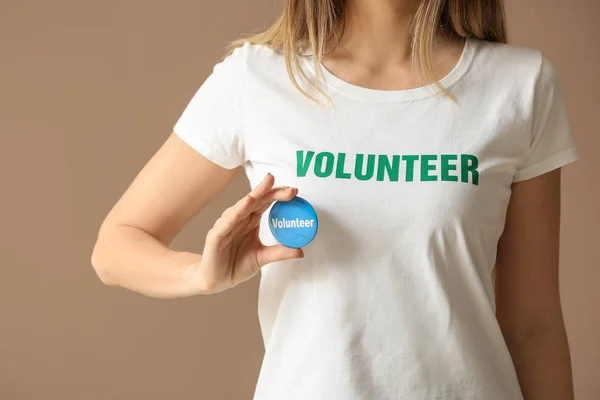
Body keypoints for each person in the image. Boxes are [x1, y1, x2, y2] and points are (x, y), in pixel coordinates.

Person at [91, 0, 580, 398]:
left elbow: (533, 324)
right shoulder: (256, 79)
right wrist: (200, 275)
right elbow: (116, 246)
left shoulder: (521, 84)